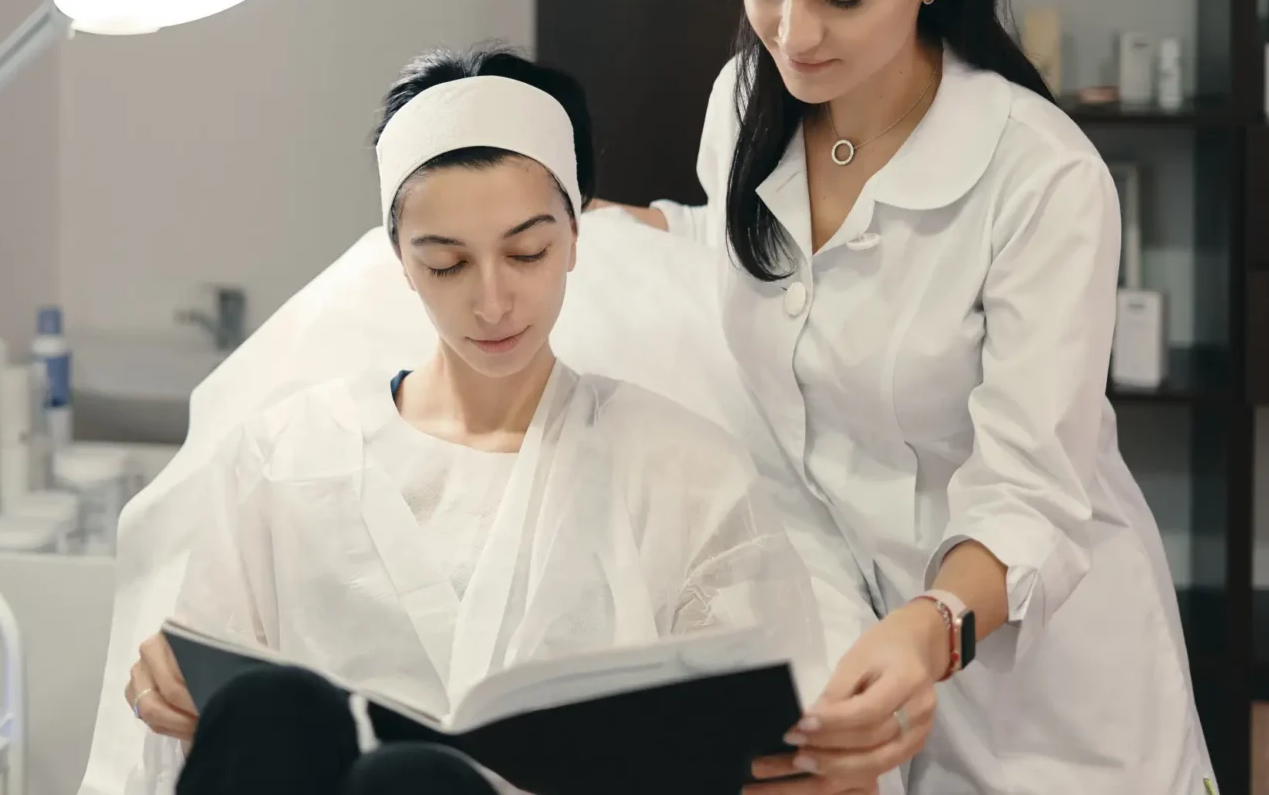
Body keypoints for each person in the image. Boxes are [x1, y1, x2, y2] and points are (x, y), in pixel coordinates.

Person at [599, 0, 1213, 795]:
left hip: (1036, 681)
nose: (793, 33)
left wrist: (933, 628)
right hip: (855, 644)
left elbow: (1029, 489)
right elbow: (765, 266)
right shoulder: (748, 98)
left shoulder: (1041, 177)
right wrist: (634, 228)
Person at [119, 46, 839, 795]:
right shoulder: (283, 458)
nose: (493, 303)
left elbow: (771, 739)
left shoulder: (684, 473)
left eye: (527, 253)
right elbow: (202, 729)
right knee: (274, 708)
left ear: (574, 239)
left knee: (414, 783)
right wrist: (167, 692)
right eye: (447, 265)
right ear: (399, 259)